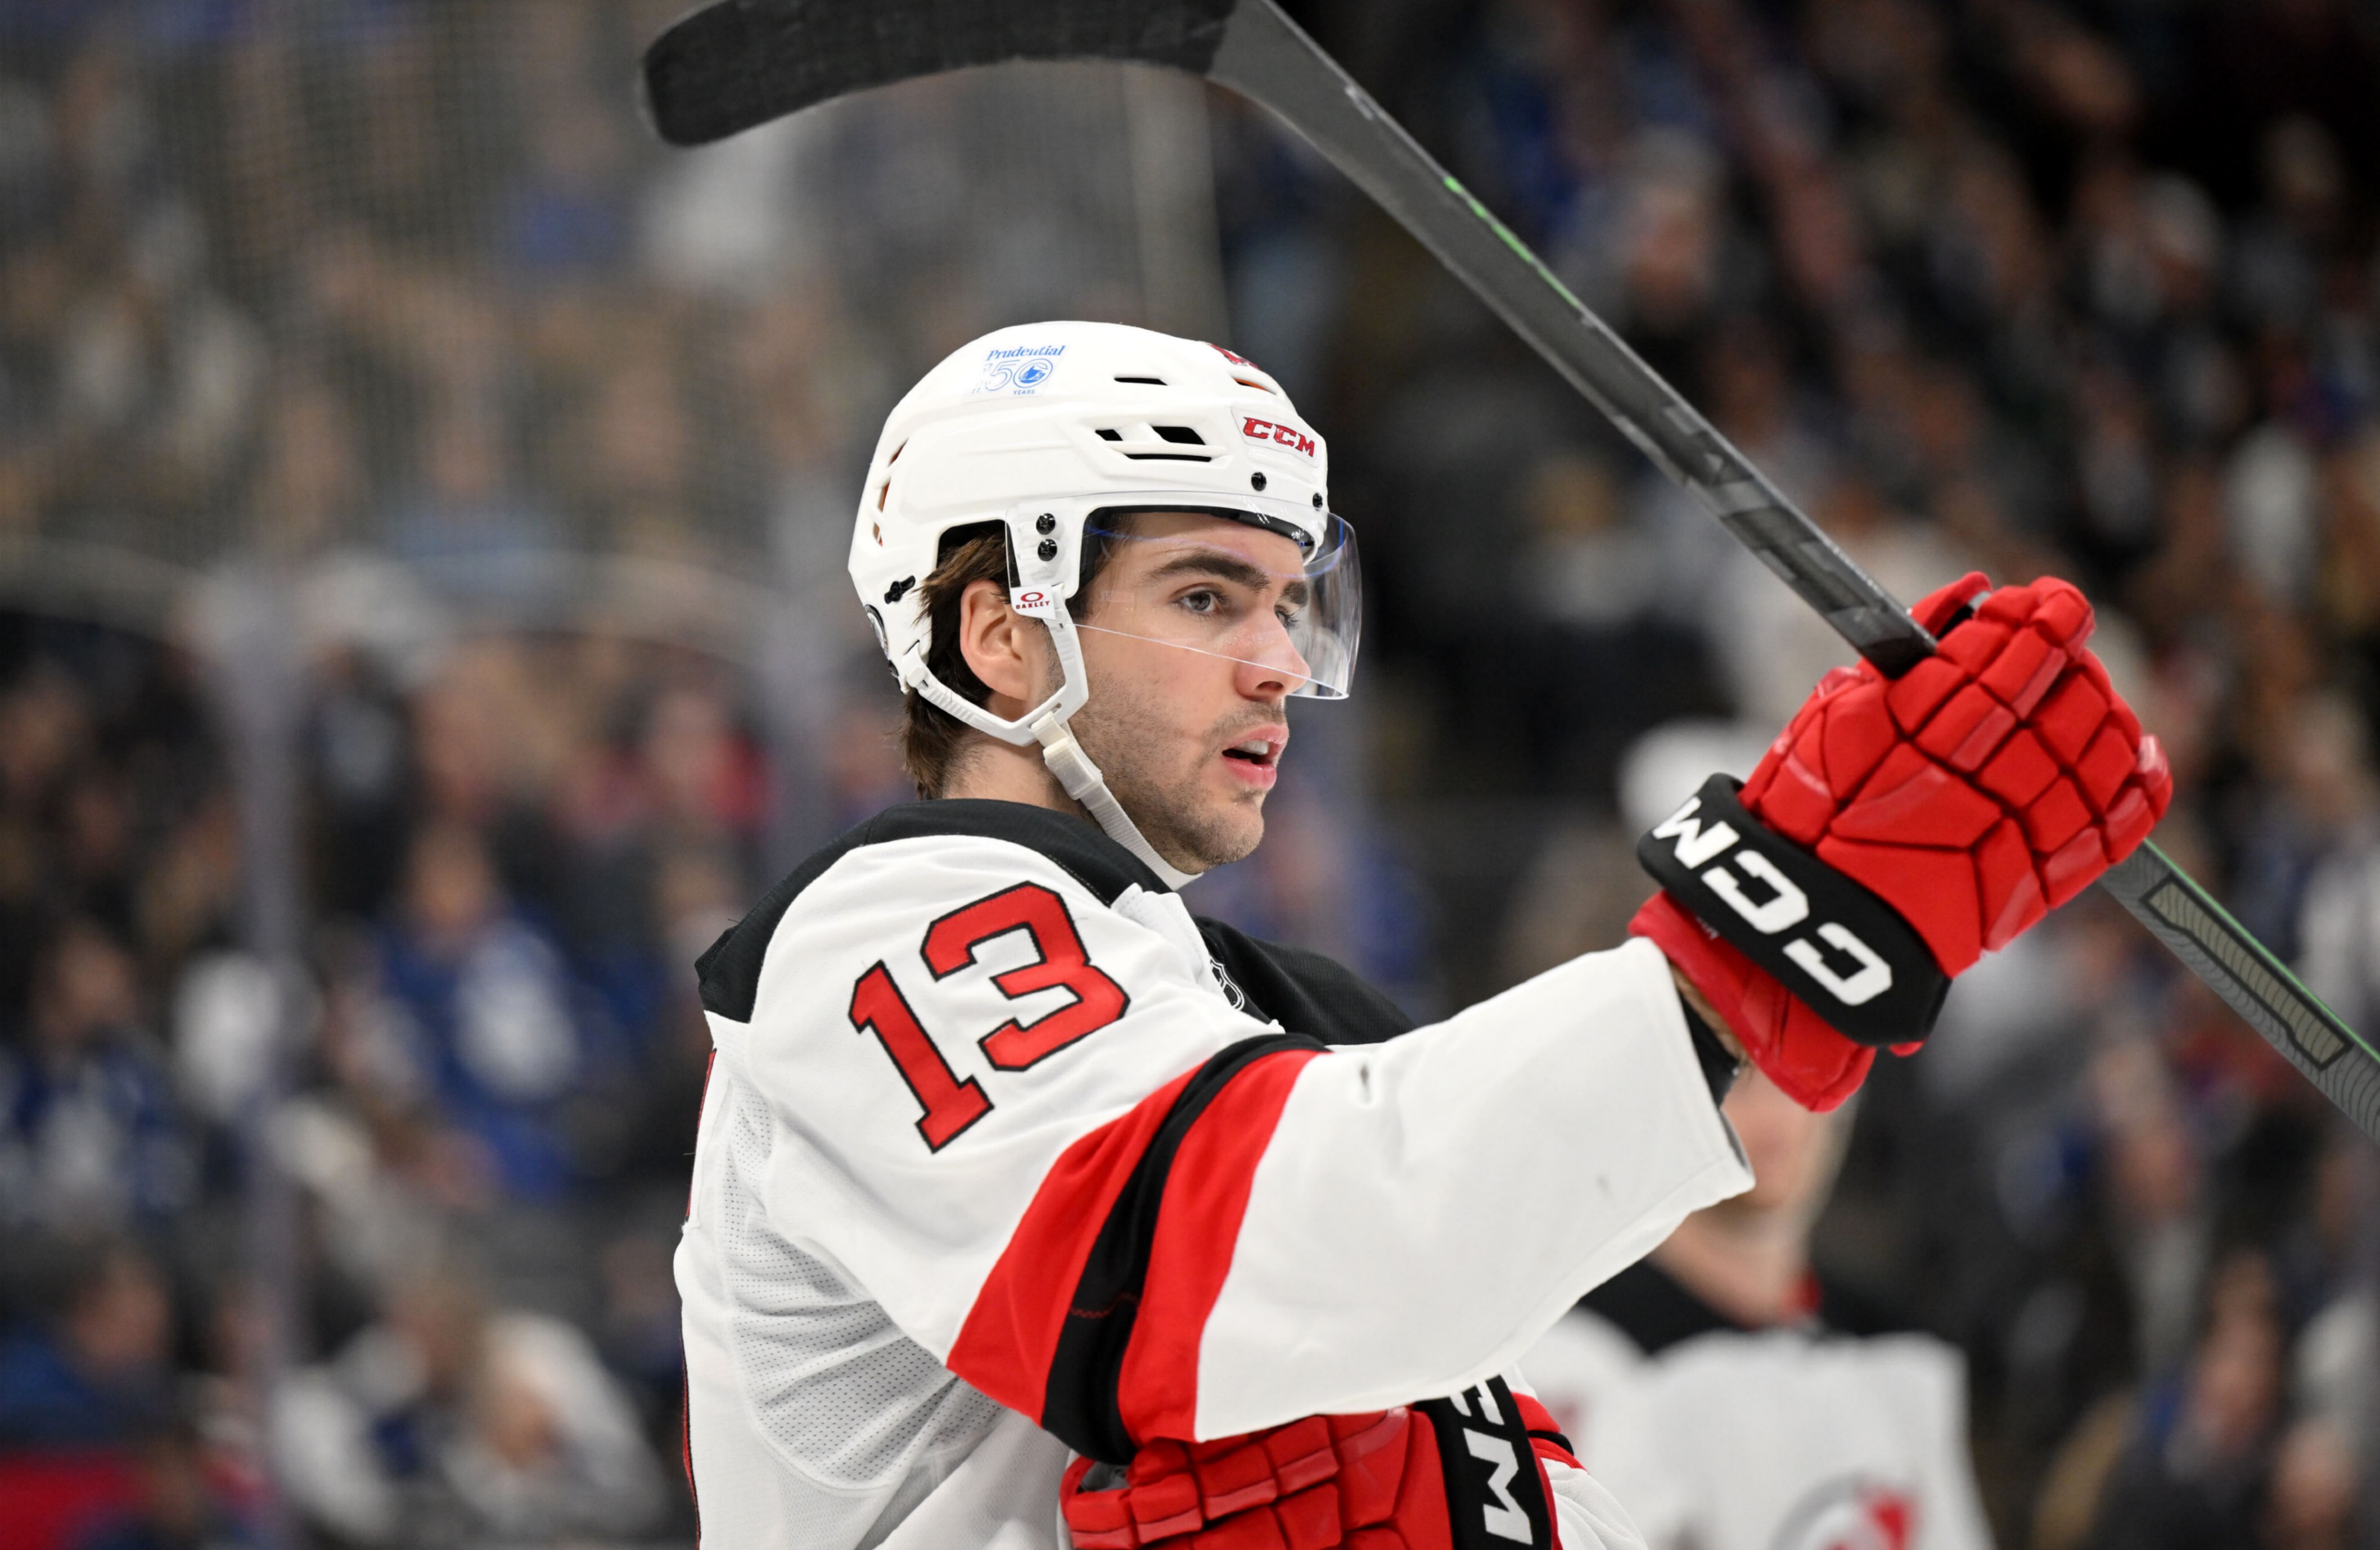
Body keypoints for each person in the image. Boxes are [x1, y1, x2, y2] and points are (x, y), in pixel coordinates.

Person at [673, 322, 2171, 1548]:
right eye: (1205, 596)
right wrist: (1758, 940)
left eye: (1285, 604)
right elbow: (1244, 1260)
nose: (1274, 665)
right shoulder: (882, 934)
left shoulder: (1274, 1018)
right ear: (1000, 638)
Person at [1519, 1071, 1994, 1550]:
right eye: (1740, 1071)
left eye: (1807, 1070)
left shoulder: (1897, 1350)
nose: (1777, 1108)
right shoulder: (1577, 1356)